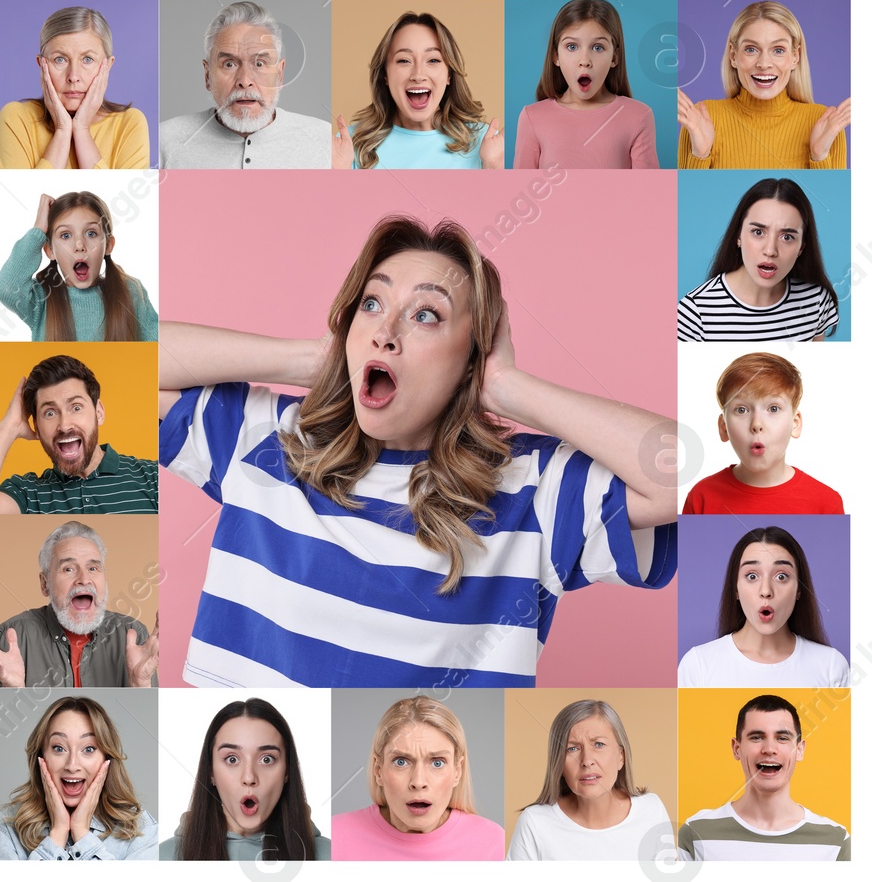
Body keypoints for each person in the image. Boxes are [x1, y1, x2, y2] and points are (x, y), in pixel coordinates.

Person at [159, 215, 677, 687]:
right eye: (371, 304)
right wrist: (314, 362)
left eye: (426, 315)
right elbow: (121, 367)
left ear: (470, 359)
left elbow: (688, 477)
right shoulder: (267, 437)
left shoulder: (532, 488)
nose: (384, 333)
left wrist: (505, 387)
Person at [158, 0, 333, 169]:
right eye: (229, 64)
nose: (245, 81)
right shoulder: (164, 141)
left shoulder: (324, 139)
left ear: (280, 75)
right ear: (207, 75)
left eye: (259, 64)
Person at [0, 521, 159, 688]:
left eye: (93, 568)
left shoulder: (133, 635)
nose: (84, 580)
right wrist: (11, 690)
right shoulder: (12, 637)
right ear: (45, 584)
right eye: (68, 569)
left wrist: (140, 684)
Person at [677, 0, 849, 170]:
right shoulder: (701, 118)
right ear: (733, 55)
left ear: (795, 57)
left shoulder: (824, 123)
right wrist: (700, 155)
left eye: (778, 50)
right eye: (751, 49)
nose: (764, 63)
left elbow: (825, 199)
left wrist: (819, 156)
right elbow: (688, 197)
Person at [677, 695, 849, 860]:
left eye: (782, 738)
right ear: (736, 748)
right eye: (757, 737)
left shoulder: (836, 842)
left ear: (799, 750)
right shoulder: (696, 833)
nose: (769, 749)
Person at [0, 696, 159, 859]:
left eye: (89, 749)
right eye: (59, 748)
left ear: (106, 758)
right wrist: (58, 833)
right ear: (41, 756)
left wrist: (81, 833)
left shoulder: (142, 831)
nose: (72, 765)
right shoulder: (5, 829)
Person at [0, 353, 159, 515]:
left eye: (76, 408)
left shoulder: (152, 476)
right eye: (50, 413)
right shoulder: (27, 494)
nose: (64, 425)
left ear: (99, 413)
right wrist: (10, 426)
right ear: (36, 427)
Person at [332, 697, 504, 860]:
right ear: (378, 770)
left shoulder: (494, 844)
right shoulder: (336, 835)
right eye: (401, 762)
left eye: (437, 763)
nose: (418, 782)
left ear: (457, 771)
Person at [678, 526, 848, 688]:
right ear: (735, 589)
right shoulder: (698, 665)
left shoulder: (831, 666)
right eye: (752, 576)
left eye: (781, 576)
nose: (766, 591)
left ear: (799, 590)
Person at [161, 699, 330, 860]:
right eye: (232, 759)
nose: (249, 777)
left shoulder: (332, 856)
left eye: (267, 759)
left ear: (287, 772)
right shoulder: (163, 858)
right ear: (211, 772)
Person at [683, 352, 844, 516]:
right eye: (741, 410)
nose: (757, 424)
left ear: (795, 424)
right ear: (724, 427)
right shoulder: (700, 497)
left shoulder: (827, 503)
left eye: (773, 409)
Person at [507, 700, 673, 860]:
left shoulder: (652, 810)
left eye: (599, 744)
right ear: (558, 764)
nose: (586, 760)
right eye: (572, 748)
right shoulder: (534, 823)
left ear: (621, 757)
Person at [677, 178, 838, 341]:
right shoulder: (695, 313)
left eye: (787, 237)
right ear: (738, 236)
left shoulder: (816, 301)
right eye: (758, 232)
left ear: (801, 248)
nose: (770, 250)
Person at [339, 12, 502, 170]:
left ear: (449, 75)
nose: (418, 75)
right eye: (404, 61)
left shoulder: (485, 142)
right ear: (385, 75)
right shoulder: (348, 144)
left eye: (433, 60)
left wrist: (493, 168)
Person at [0, 5, 151, 169]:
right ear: (42, 65)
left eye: (87, 59)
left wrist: (82, 130)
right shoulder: (16, 118)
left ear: (107, 66)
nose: (73, 76)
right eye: (60, 59)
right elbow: (20, 195)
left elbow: (119, 195)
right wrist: (62, 131)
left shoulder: (129, 124)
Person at [0, 191, 158, 342]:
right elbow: (7, 287)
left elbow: (158, 352)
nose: (79, 245)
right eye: (65, 235)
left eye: (91, 233)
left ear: (108, 245)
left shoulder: (130, 293)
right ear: (50, 250)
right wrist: (38, 230)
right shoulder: (41, 300)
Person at [513, 0, 658, 169]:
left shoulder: (639, 116)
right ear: (555, 56)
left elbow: (647, 192)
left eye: (597, 47)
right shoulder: (532, 117)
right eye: (572, 47)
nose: (584, 61)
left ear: (614, 57)